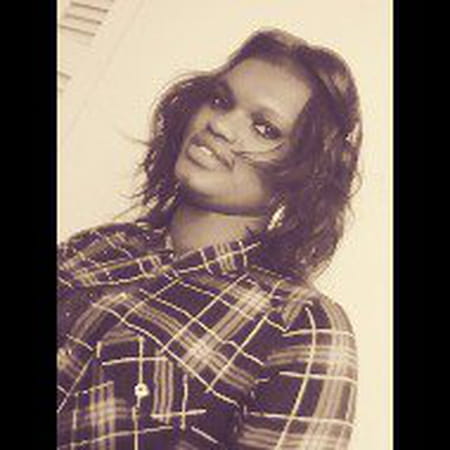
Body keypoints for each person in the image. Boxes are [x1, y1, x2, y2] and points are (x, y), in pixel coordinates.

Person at [57, 28, 362, 449]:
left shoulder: (300, 326)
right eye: (220, 101)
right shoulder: (94, 247)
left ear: (303, 175)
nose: (219, 124)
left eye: (264, 128)